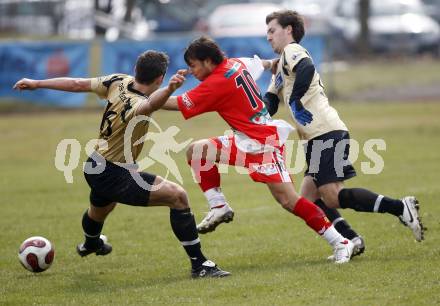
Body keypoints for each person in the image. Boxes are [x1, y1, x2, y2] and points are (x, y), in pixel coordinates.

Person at [13, 50, 230, 278]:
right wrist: (170, 89)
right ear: (159, 78)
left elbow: (78, 83)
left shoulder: (119, 81)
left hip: (96, 164)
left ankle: (91, 244)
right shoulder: (137, 104)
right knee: (178, 197)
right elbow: (149, 106)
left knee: (99, 211)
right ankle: (200, 266)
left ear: (136, 70)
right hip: (113, 172)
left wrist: (37, 83)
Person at [161, 36, 356, 264]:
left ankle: (341, 242)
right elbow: (260, 64)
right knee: (197, 151)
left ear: (207, 61)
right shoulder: (236, 64)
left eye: (193, 65)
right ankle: (219, 205)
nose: (191, 71)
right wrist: (272, 63)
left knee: (289, 200)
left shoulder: (216, 83)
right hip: (245, 141)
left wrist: (146, 96)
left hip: (264, 145)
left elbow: (176, 103)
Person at [262, 9, 424, 260]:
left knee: (332, 196)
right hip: (316, 136)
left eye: (272, 31)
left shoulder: (292, 52)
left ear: (288, 30)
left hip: (325, 132)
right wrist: (255, 108)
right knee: (308, 199)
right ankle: (351, 240)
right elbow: (270, 102)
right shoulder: (282, 66)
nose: (269, 37)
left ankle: (400, 207)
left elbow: (306, 67)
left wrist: (294, 100)